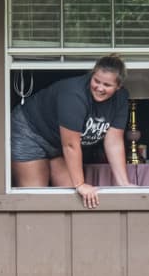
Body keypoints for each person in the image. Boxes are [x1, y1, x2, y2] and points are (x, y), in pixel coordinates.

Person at [11, 54, 132, 209]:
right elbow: (70, 145)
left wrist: (124, 184)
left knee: (73, 198)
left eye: (107, 85)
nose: (99, 88)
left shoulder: (120, 99)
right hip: (30, 132)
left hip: (57, 141)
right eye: (96, 81)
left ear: (118, 86)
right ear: (91, 75)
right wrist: (80, 184)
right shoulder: (74, 94)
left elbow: (114, 141)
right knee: (36, 197)